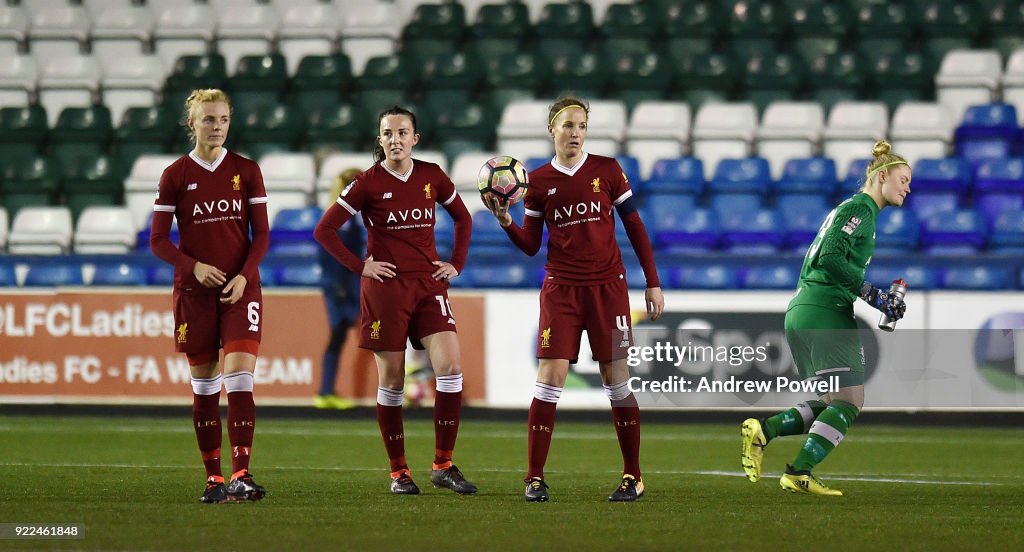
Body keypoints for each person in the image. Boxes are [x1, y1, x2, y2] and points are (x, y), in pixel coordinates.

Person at [482, 95, 665, 502]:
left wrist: (652, 281)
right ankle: (534, 478)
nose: (576, 133)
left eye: (581, 126)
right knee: (550, 379)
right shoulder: (537, 182)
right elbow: (531, 246)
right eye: (568, 125)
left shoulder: (608, 170)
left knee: (615, 381)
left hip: (608, 289)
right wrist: (506, 220)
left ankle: (633, 476)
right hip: (561, 290)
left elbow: (634, 226)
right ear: (552, 129)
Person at [314, 105, 477, 495]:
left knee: (451, 367)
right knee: (392, 381)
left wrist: (456, 263)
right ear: (380, 139)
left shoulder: (432, 176)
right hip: (385, 290)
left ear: (415, 138)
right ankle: (398, 472)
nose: (395, 140)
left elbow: (463, 218)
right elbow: (325, 229)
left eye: (402, 133)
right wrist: (361, 266)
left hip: (428, 284)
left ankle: (443, 464)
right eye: (387, 133)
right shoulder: (367, 183)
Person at [740, 140, 911, 496]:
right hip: (826, 311)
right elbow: (831, 257)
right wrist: (872, 295)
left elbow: (832, 257)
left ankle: (764, 432)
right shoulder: (861, 210)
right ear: (882, 177)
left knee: (833, 402)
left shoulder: (853, 210)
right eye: (903, 179)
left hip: (804, 310)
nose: (907, 188)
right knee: (850, 402)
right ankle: (798, 471)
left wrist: (874, 297)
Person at [150, 89, 269, 504]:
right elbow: (158, 241)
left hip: (241, 290)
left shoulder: (247, 170)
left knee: (239, 378)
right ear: (192, 125)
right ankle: (214, 479)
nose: (216, 127)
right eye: (208, 120)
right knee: (204, 388)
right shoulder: (175, 175)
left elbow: (263, 235)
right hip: (194, 294)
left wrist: (244, 276)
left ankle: (241, 473)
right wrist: (193, 267)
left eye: (222, 120)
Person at [314, 168, 365, 410]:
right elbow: (331, 254)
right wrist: (338, 285)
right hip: (341, 283)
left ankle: (326, 391)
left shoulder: (347, 216)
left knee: (341, 335)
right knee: (338, 334)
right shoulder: (340, 219)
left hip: (346, 282)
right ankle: (324, 391)